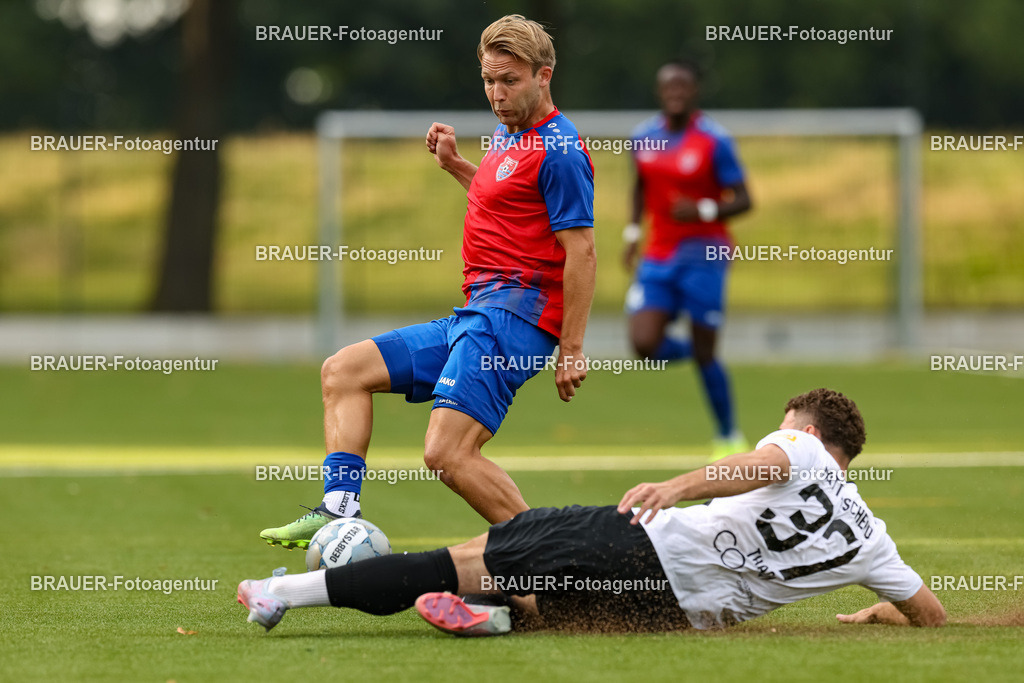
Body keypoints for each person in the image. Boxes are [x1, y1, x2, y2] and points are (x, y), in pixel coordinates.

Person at [258, 15, 596, 549]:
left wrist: (572, 348)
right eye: (489, 80)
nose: (497, 93)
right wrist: (458, 166)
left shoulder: (559, 148)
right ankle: (337, 510)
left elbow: (581, 250)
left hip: (513, 320)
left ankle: (558, 562)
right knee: (344, 371)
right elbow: (505, 205)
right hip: (477, 314)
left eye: (509, 80)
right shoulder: (511, 137)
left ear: (543, 76)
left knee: (447, 454)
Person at [239, 388, 946, 634]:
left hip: (650, 544)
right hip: (681, 615)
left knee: (461, 558)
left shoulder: (804, 446)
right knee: (554, 601)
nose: (780, 430)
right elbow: (930, 614)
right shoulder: (872, 541)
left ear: (811, 430)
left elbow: (756, 467)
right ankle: (503, 612)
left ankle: (282, 592)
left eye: (785, 422)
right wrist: (874, 609)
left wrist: (676, 486)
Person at [623, 60, 753, 461]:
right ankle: (698, 353)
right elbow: (640, 189)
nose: (675, 92)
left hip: (705, 255)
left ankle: (729, 435)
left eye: (683, 86)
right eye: (669, 86)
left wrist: (704, 211)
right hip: (659, 254)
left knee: (707, 350)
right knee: (644, 343)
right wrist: (632, 233)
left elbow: (745, 199)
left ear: (695, 91)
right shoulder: (644, 137)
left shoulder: (714, 140)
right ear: (660, 91)